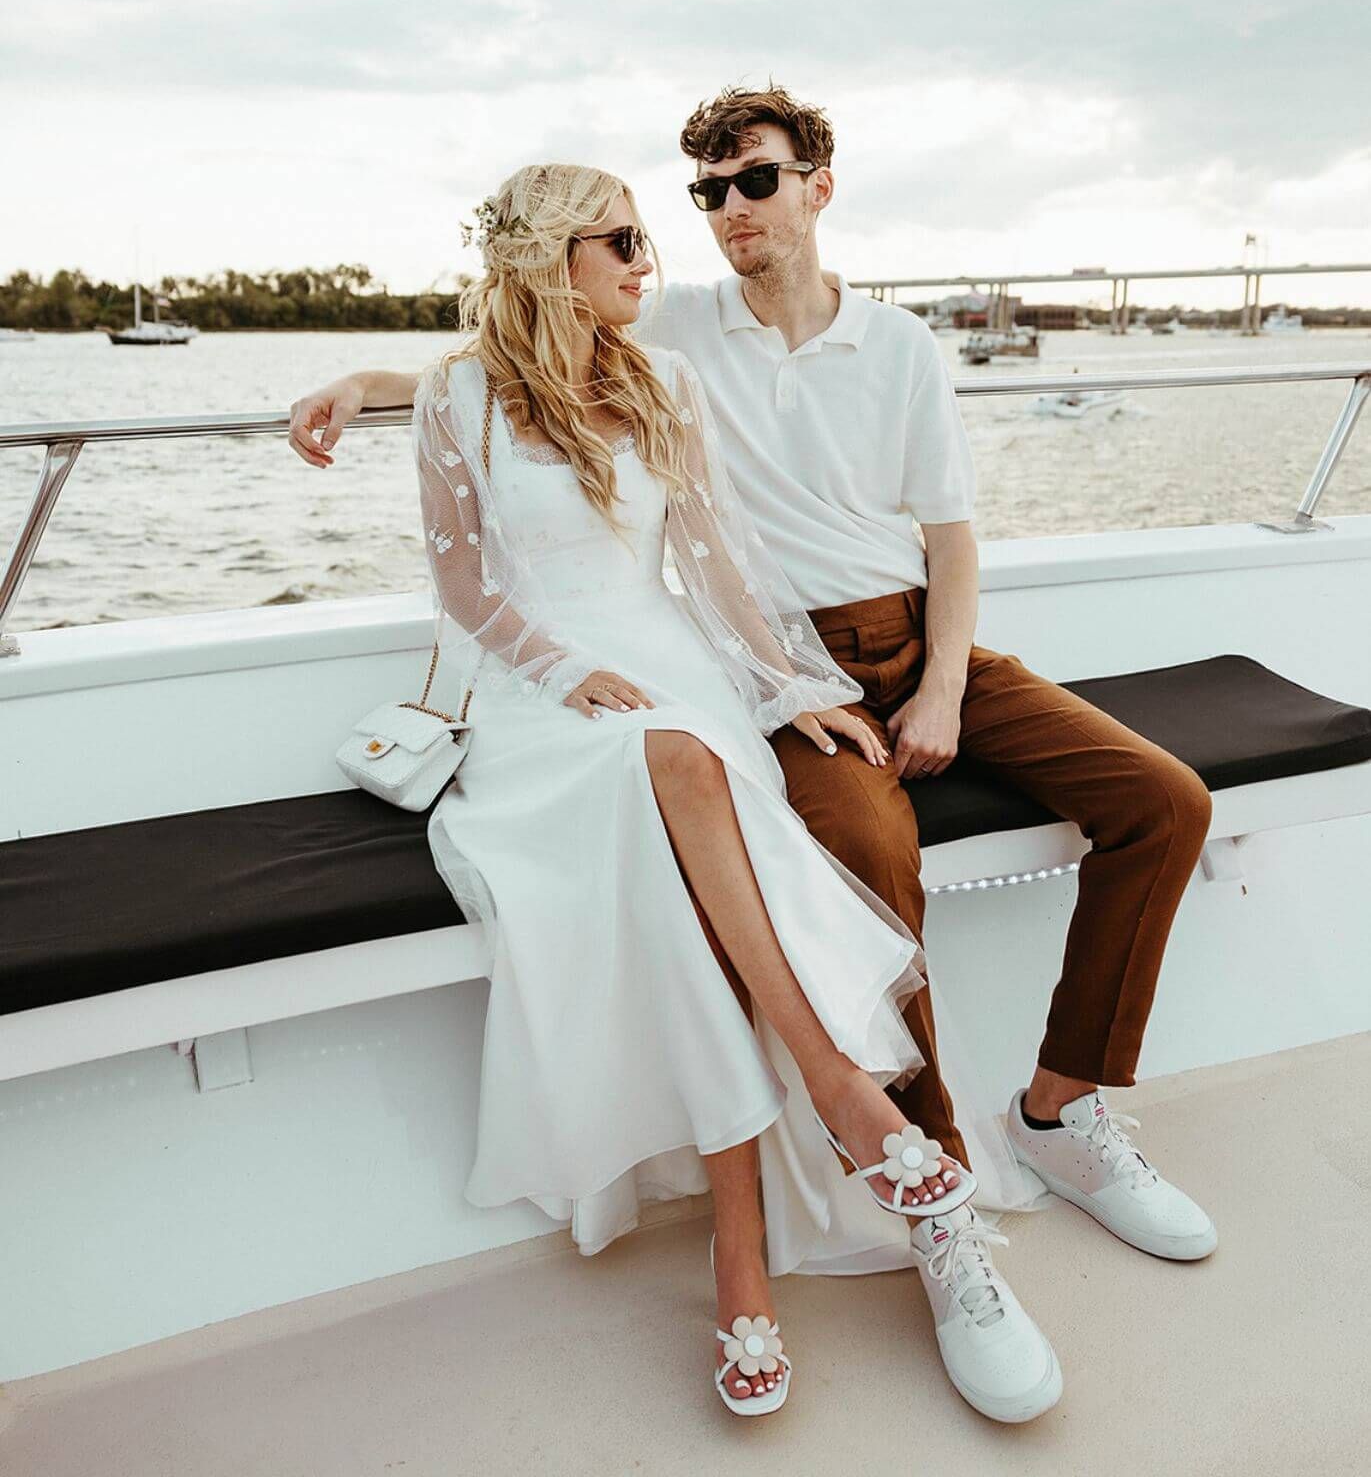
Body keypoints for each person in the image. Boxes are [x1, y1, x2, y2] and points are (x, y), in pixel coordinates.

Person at [290, 86, 1217, 1426]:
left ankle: (1058, 1114)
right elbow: (478, 458)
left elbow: (832, 550)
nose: (713, 222)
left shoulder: (854, 348)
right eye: (691, 202)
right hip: (647, 685)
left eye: (754, 185)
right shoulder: (616, 343)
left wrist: (874, 685)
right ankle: (902, 1172)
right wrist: (369, 382)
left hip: (850, 648)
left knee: (1162, 800)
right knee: (841, 843)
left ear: (817, 185)